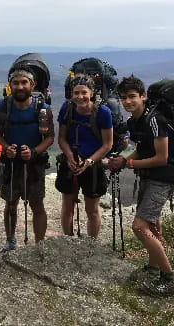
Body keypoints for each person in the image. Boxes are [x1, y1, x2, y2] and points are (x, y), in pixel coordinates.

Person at [108, 75, 174, 296]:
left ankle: (170, 280)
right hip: (148, 176)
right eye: (123, 98)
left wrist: (129, 163)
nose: (128, 102)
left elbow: (162, 157)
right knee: (153, 223)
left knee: (139, 227)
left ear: (143, 96)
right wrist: (120, 158)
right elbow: (137, 147)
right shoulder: (133, 121)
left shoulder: (155, 120)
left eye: (132, 97)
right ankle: (154, 266)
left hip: (163, 177)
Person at [0, 68, 54, 252]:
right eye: (15, 83)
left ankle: (39, 244)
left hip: (34, 164)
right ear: (10, 85)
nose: (20, 86)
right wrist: (5, 148)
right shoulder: (1, 106)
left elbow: (50, 137)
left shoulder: (42, 108)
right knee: (11, 204)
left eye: (24, 82)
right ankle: (10, 241)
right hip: (10, 163)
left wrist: (34, 152)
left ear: (32, 85)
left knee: (37, 204)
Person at [55, 73, 113, 238]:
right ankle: (68, 240)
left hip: (93, 165)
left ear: (92, 93)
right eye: (76, 93)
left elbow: (107, 144)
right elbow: (62, 138)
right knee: (67, 206)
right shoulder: (67, 109)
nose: (80, 97)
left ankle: (91, 244)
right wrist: (69, 156)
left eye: (84, 93)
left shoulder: (103, 112)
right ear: (71, 94)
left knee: (92, 209)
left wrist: (89, 161)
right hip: (71, 163)